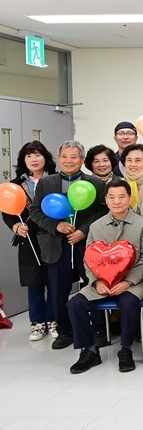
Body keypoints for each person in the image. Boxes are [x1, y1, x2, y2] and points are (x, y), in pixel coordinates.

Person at [67, 180, 143, 373]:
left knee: (129, 302)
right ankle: (89, 351)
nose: (117, 201)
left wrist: (128, 282)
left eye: (122, 196)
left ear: (130, 199)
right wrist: (96, 281)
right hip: (101, 281)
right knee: (75, 304)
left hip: (134, 281)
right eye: (112, 197)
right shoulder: (97, 226)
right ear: (106, 200)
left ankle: (126, 350)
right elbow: (88, 258)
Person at [30, 141, 108, 350]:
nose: (68, 161)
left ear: (82, 160)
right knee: (58, 290)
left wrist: (83, 230)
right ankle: (64, 331)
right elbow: (35, 212)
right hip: (57, 245)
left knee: (93, 286)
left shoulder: (96, 183)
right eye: (64, 156)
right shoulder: (46, 183)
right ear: (58, 158)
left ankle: (98, 329)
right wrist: (57, 225)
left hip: (87, 246)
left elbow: (102, 211)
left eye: (74, 157)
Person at [3, 141, 55, 341]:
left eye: (37, 155)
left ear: (45, 158)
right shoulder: (15, 184)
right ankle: (37, 323)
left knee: (53, 281)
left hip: (52, 235)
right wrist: (15, 227)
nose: (34, 159)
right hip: (28, 238)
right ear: (23, 160)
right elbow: (7, 213)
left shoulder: (55, 180)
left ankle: (53, 320)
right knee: (34, 282)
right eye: (29, 156)